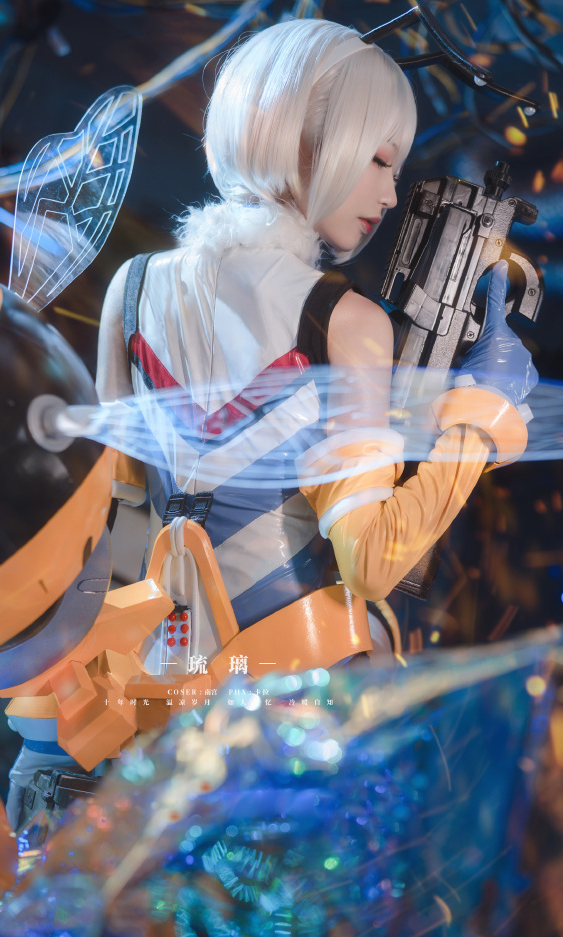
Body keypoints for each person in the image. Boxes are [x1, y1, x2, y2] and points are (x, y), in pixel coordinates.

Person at [96, 18, 537, 674]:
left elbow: (116, 517)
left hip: (164, 674)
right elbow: (374, 564)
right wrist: (481, 421)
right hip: (300, 680)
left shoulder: (131, 289)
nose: (390, 194)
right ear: (304, 139)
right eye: (378, 160)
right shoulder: (347, 322)